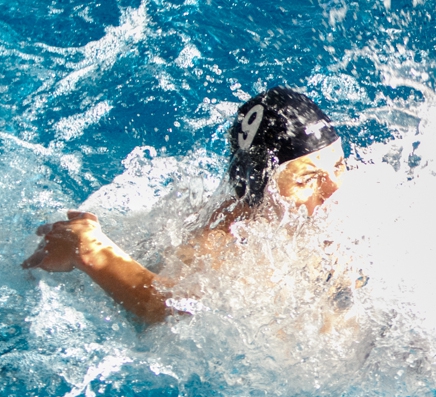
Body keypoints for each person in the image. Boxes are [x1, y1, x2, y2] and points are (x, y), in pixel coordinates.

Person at [22, 87, 350, 325]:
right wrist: (93, 251)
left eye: (338, 166)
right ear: (257, 189)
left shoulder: (352, 203)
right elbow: (169, 308)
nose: (335, 191)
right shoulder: (228, 239)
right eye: (307, 180)